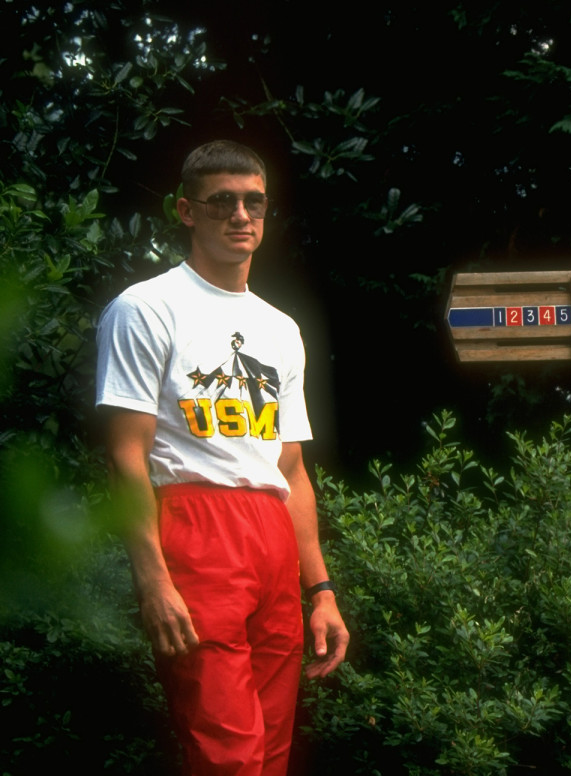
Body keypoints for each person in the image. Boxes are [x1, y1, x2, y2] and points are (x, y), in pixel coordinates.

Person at [96, 140, 349, 775]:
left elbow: (289, 468)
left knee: (270, 749)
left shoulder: (281, 329)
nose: (241, 215)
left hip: (271, 536)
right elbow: (125, 456)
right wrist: (153, 581)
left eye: (254, 202)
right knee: (226, 753)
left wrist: (320, 589)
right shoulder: (146, 308)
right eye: (222, 202)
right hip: (194, 526)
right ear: (186, 210)